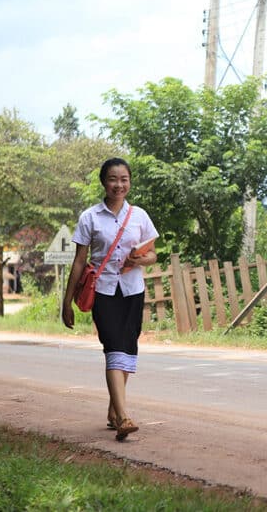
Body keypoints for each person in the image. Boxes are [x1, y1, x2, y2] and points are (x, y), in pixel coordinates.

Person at [62, 157, 158, 441]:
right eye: (113, 179)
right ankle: (124, 417)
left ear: (129, 182)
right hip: (102, 292)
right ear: (104, 182)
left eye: (124, 179)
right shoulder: (89, 217)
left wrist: (140, 259)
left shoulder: (139, 216)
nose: (119, 184)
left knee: (128, 348)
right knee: (113, 347)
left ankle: (113, 409)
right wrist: (66, 302)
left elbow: (153, 255)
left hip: (132, 290)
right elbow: (79, 262)